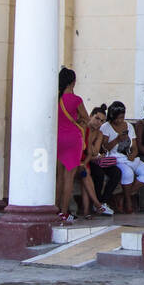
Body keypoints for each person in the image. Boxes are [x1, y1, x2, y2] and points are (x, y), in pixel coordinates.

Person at [99, 101, 144, 212]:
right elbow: (104, 148)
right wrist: (117, 140)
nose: (120, 120)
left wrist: (133, 154)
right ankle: (128, 201)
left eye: (122, 117)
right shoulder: (106, 127)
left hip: (129, 158)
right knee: (127, 173)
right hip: (116, 159)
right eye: (117, 118)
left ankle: (122, 197)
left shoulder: (129, 126)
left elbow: (134, 145)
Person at [57, 66, 90, 222]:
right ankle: (64, 212)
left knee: (59, 177)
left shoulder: (56, 98)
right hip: (72, 139)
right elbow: (87, 118)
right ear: (73, 82)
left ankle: (56, 209)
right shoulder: (76, 100)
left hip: (58, 139)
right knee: (69, 177)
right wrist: (78, 121)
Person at [76, 107, 117, 216]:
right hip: (77, 158)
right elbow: (92, 151)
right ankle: (96, 205)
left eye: (102, 121)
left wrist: (88, 159)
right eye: (97, 118)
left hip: (86, 160)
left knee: (87, 174)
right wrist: (93, 152)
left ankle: (90, 209)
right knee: (88, 174)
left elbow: (93, 152)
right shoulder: (84, 127)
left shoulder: (98, 133)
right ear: (90, 116)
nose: (99, 123)